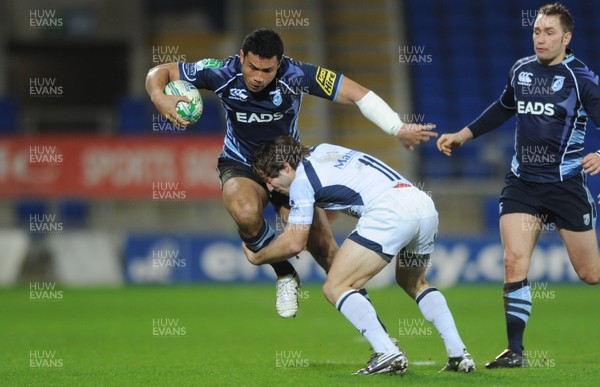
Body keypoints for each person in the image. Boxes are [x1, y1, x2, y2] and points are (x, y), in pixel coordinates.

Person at [146, 28, 437, 318]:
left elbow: (357, 94)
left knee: (327, 254)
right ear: (241, 57)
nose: (259, 76)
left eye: (267, 69)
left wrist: (397, 128)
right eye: (252, 67)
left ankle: (379, 339)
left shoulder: (297, 74)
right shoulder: (220, 72)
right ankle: (285, 274)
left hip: (289, 167)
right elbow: (160, 72)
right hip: (242, 162)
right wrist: (159, 97)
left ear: (280, 63)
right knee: (245, 212)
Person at [437, 3, 600, 369]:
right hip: (522, 183)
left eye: (549, 33)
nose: (541, 39)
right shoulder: (521, 70)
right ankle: (515, 351)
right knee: (513, 261)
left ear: (567, 38)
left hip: (565, 187)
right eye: (537, 32)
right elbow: (503, 106)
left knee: (591, 275)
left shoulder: (583, 80)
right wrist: (463, 135)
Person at [243, 135, 475, 375]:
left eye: (269, 180)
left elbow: (294, 243)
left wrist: (257, 257)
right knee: (413, 282)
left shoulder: (301, 181)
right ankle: (459, 354)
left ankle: (387, 352)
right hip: (422, 205)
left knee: (335, 287)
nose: (270, 188)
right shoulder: (323, 149)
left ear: (285, 167)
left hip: (389, 211)